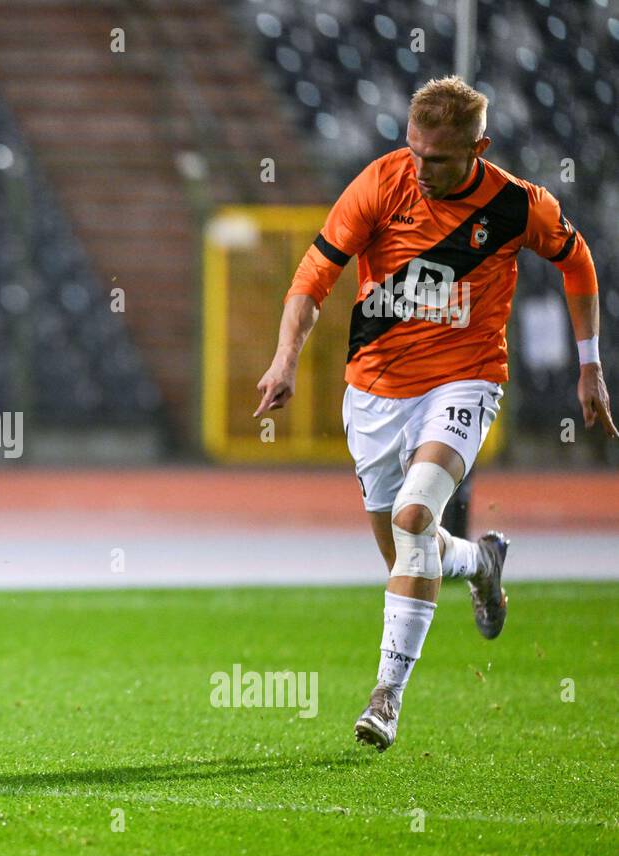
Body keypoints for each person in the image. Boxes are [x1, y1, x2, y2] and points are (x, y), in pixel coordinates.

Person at [253, 75, 616, 751]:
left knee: (416, 516)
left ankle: (386, 697)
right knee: (405, 549)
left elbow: (578, 259)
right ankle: (481, 561)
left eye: (440, 159)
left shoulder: (516, 205)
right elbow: (313, 275)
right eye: (414, 150)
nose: (422, 168)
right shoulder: (380, 183)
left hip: (464, 383)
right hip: (373, 392)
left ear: (481, 146)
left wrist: (589, 364)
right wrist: (285, 358)